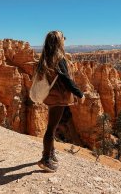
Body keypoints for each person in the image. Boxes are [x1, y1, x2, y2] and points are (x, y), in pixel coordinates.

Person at [35, 30, 85, 172]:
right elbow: (66, 79)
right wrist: (79, 93)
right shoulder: (59, 58)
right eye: (64, 38)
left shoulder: (46, 57)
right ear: (58, 41)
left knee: (53, 125)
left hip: (50, 96)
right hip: (58, 97)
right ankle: (45, 159)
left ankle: (51, 153)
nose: (65, 40)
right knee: (51, 128)